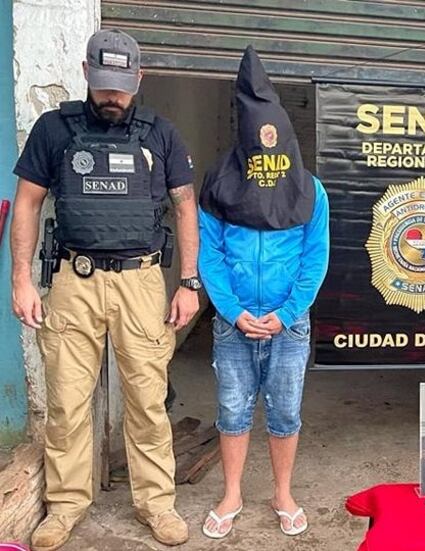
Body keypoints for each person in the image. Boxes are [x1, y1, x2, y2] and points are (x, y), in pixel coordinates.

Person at [11, 29, 200, 551]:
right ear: (87, 72)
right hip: (75, 280)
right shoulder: (54, 129)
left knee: (146, 399)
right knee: (68, 401)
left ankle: (156, 504)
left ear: (138, 79)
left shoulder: (161, 134)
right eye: (103, 83)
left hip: (142, 281)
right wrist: (22, 279)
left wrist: (188, 282)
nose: (112, 96)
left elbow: (186, 207)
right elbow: (26, 203)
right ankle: (65, 505)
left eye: (122, 85)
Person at [198, 46, 329, 539]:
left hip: (288, 324)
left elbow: (315, 258)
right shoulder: (219, 184)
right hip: (234, 323)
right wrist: (232, 311)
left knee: (284, 411)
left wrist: (288, 311)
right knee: (232, 410)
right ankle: (231, 492)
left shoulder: (310, 191)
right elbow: (209, 255)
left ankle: (282, 492)